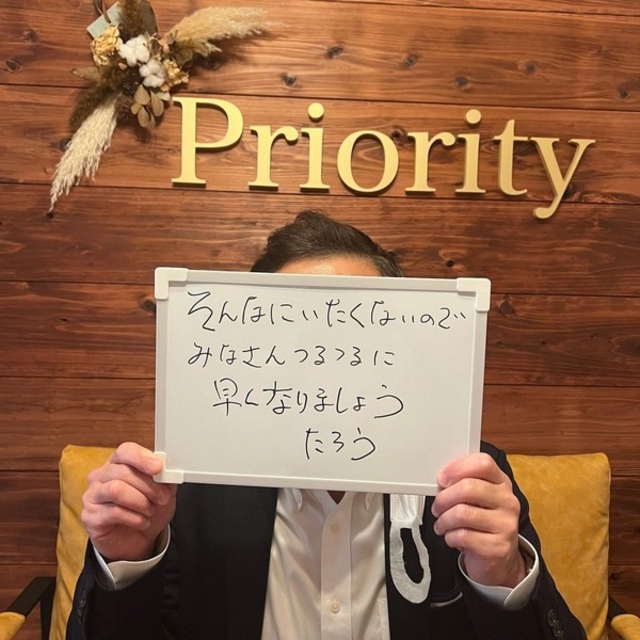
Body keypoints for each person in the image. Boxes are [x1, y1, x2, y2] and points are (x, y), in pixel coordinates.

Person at [67, 210, 586, 640]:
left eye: (360, 334)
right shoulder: (192, 484)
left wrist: (503, 577)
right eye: (297, 337)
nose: (328, 361)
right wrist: (127, 561)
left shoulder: (466, 480)